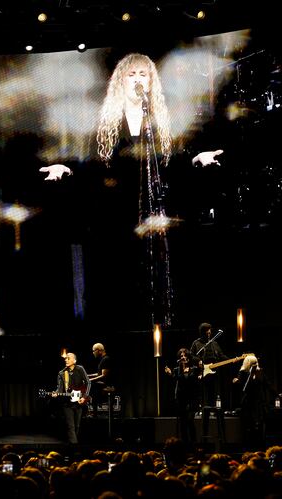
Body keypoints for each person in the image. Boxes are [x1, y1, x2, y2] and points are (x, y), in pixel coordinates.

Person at [39, 53, 223, 329]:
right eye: (132, 75)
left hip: (156, 215)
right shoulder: (104, 125)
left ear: (151, 81)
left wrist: (197, 159)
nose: (138, 80)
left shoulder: (162, 122)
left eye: (143, 75)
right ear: (120, 81)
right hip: (117, 217)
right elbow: (88, 163)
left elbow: (175, 161)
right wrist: (66, 169)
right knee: (121, 284)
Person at [232, 355, 271, 446]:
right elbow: (243, 387)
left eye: (255, 363)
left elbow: (267, 384)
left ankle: (259, 444)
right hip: (247, 402)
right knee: (248, 425)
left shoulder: (260, 372)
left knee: (259, 425)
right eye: (253, 363)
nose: (255, 365)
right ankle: (248, 444)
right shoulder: (242, 372)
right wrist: (237, 382)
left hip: (258, 402)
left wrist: (277, 394)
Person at [52, 352, 91, 444]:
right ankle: (74, 446)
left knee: (77, 426)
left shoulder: (80, 369)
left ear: (74, 360)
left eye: (68, 358)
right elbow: (60, 388)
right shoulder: (62, 373)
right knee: (71, 426)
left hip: (79, 402)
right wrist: (56, 393)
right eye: (65, 359)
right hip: (67, 403)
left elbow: (88, 383)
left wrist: (85, 397)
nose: (66, 360)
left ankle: (72, 444)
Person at [164, 348, 200, 443]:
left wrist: (188, 374)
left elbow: (194, 382)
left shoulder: (194, 369)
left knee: (190, 421)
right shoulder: (177, 370)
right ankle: (185, 445)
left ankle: (194, 444)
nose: (183, 357)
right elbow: (176, 380)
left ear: (188, 357)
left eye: (185, 356)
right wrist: (170, 374)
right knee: (183, 423)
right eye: (181, 356)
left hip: (192, 399)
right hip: (181, 399)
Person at [190, 322, 228, 408]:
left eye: (210, 331)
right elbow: (191, 355)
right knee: (203, 391)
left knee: (215, 391)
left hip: (214, 370)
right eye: (207, 331)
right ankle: (203, 409)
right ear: (202, 332)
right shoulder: (196, 343)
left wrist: (231, 360)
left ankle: (214, 409)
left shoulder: (214, 343)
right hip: (202, 371)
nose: (209, 333)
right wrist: (198, 361)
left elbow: (221, 355)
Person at [88, 343, 114, 417]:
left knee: (91, 385)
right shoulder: (103, 359)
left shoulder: (106, 359)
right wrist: (87, 376)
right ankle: (93, 411)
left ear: (99, 350)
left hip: (107, 385)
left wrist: (90, 380)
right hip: (103, 383)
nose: (93, 353)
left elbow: (104, 375)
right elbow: (99, 373)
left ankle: (94, 413)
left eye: (93, 351)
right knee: (90, 384)